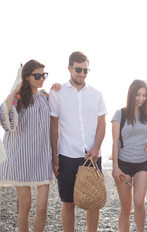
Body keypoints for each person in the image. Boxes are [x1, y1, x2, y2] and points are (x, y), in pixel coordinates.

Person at [49, 51, 107, 232]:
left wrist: (96, 147)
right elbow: (53, 126)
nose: (82, 74)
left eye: (85, 70)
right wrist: (54, 155)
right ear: (70, 68)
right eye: (78, 70)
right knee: (68, 201)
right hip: (66, 154)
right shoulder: (57, 93)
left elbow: (101, 123)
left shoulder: (96, 94)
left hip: (92, 155)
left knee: (94, 201)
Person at [0, 60, 53, 232]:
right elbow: (4, 119)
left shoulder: (46, 96)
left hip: (42, 157)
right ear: (27, 77)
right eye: (37, 76)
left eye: (44, 75)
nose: (41, 79)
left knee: (42, 208)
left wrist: (59, 87)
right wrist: (16, 88)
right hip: (21, 157)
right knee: (25, 206)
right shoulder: (18, 98)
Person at [111, 79, 147, 232]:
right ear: (131, 94)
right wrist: (115, 168)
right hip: (123, 165)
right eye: (138, 95)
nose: (141, 98)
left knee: (139, 201)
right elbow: (115, 142)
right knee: (126, 207)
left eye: (144, 95)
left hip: (142, 164)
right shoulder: (120, 114)